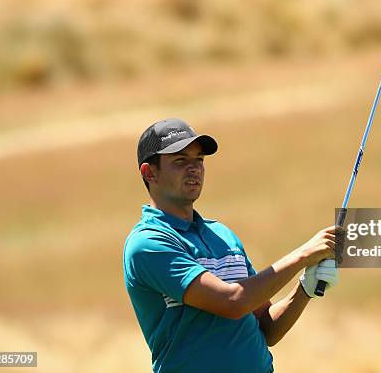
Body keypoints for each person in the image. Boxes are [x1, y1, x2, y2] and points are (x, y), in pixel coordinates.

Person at [123, 118, 341, 373]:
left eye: (199, 160)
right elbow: (233, 302)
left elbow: (266, 328)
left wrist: (305, 288)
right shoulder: (148, 243)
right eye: (181, 161)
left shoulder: (222, 235)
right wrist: (303, 254)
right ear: (150, 173)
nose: (194, 169)